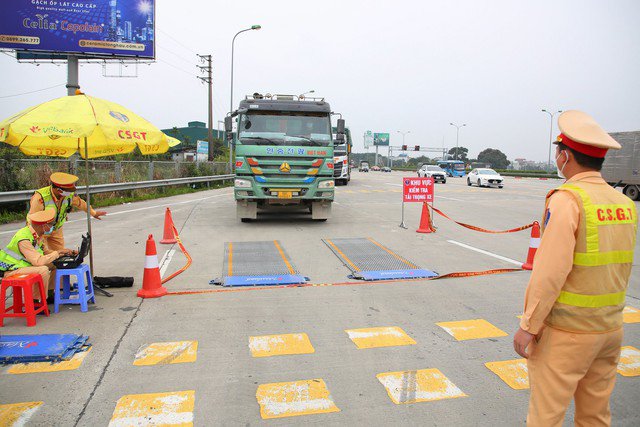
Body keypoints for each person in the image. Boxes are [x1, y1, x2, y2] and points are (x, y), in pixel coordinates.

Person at [513, 110, 637, 426]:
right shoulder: (622, 203)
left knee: (546, 416)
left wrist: (529, 325)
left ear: (565, 156)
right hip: (609, 330)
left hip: (567, 335)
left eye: (558, 153)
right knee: (595, 416)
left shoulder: (568, 200)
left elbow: (550, 271)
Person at [0, 210, 76, 301]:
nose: (53, 227)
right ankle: (36, 301)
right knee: (42, 270)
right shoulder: (24, 239)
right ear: (43, 226)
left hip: (25, 265)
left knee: (57, 264)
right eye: (51, 225)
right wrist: (57, 253)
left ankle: (50, 292)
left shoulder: (37, 235)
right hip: (11, 270)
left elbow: (45, 252)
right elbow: (39, 261)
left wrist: (63, 253)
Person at [28, 172, 106, 252]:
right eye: (68, 191)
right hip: (41, 231)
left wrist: (94, 213)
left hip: (56, 229)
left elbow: (81, 203)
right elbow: (32, 219)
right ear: (59, 190)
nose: (70, 193)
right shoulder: (40, 198)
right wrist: (35, 236)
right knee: (42, 256)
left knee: (59, 255)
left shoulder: (69, 195)